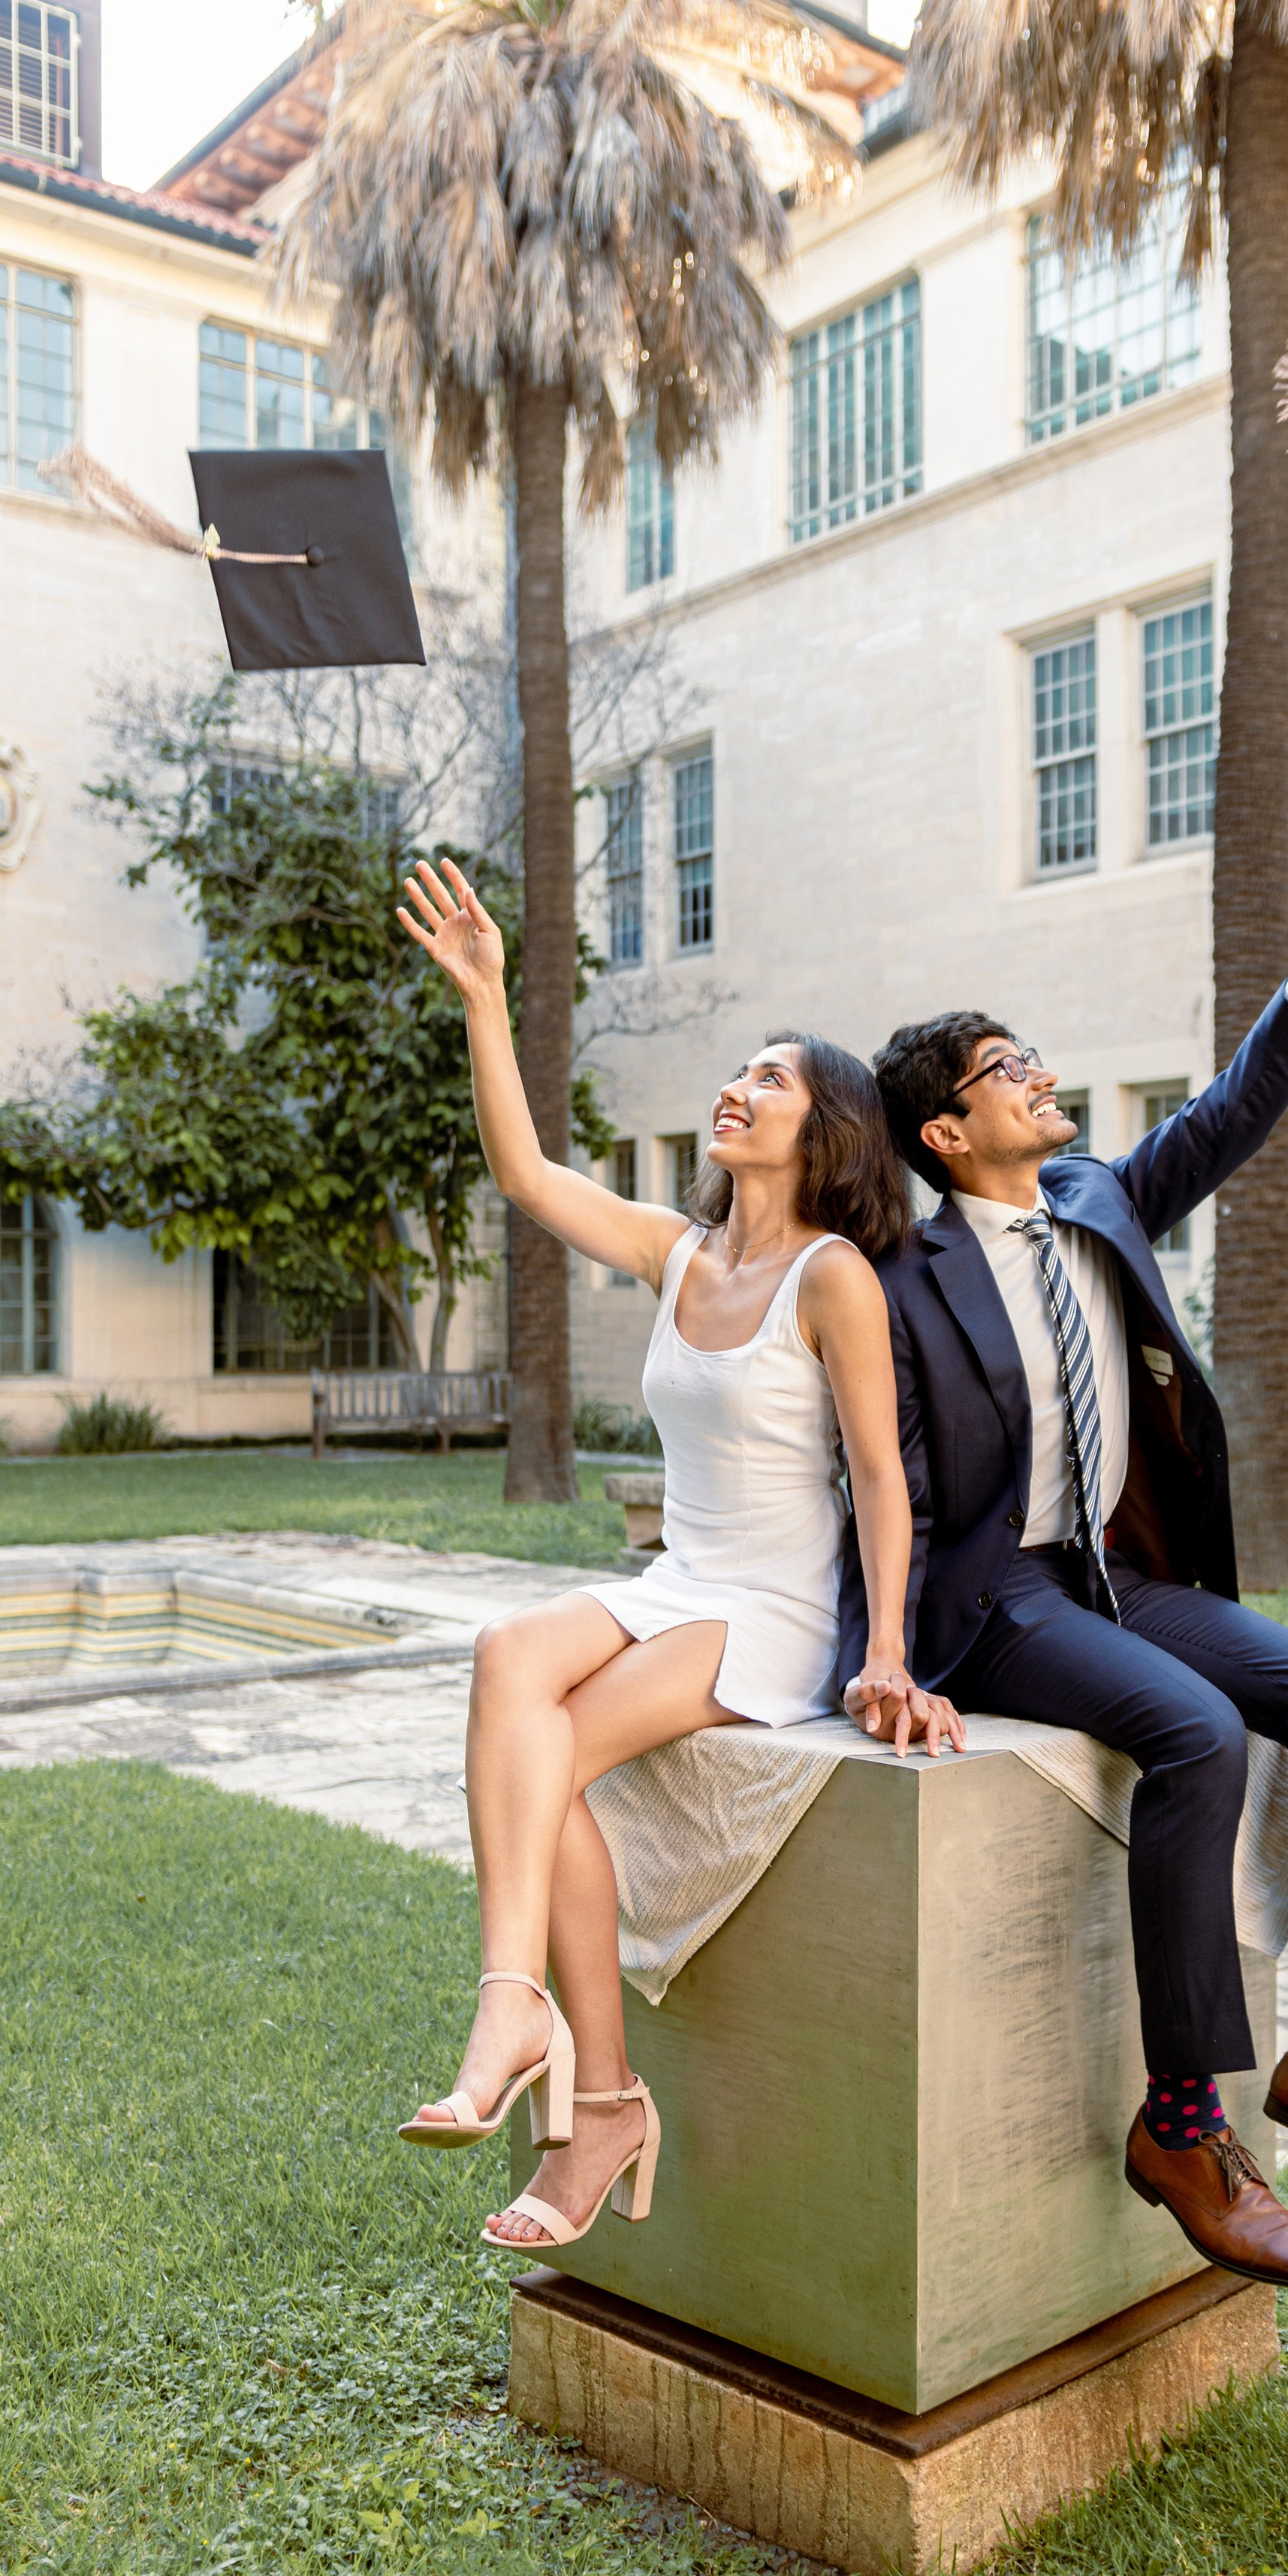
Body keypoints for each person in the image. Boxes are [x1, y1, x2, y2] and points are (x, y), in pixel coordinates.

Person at [849, 799, 1288, 2293]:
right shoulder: (896, 1274)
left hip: (1120, 1583)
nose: (1040, 1075)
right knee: (1199, 1737)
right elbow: (883, 1481)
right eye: (1007, 1071)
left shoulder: (1098, 1201)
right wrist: (877, 1657)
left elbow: (1241, 1100)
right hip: (993, 1598)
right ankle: (1183, 2122)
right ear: (946, 1132)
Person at [395, 857, 963, 2254]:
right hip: (678, 1581)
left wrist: (884, 1647)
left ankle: (570, 2077)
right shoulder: (679, 1252)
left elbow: (881, 1481)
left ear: (824, 1129)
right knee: (506, 1660)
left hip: (769, 1611)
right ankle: (557, 2047)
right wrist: (485, 997)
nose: (738, 1088)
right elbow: (524, 1172)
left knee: (561, 1749)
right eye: (739, 1071)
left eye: (771, 1078)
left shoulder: (830, 1275)